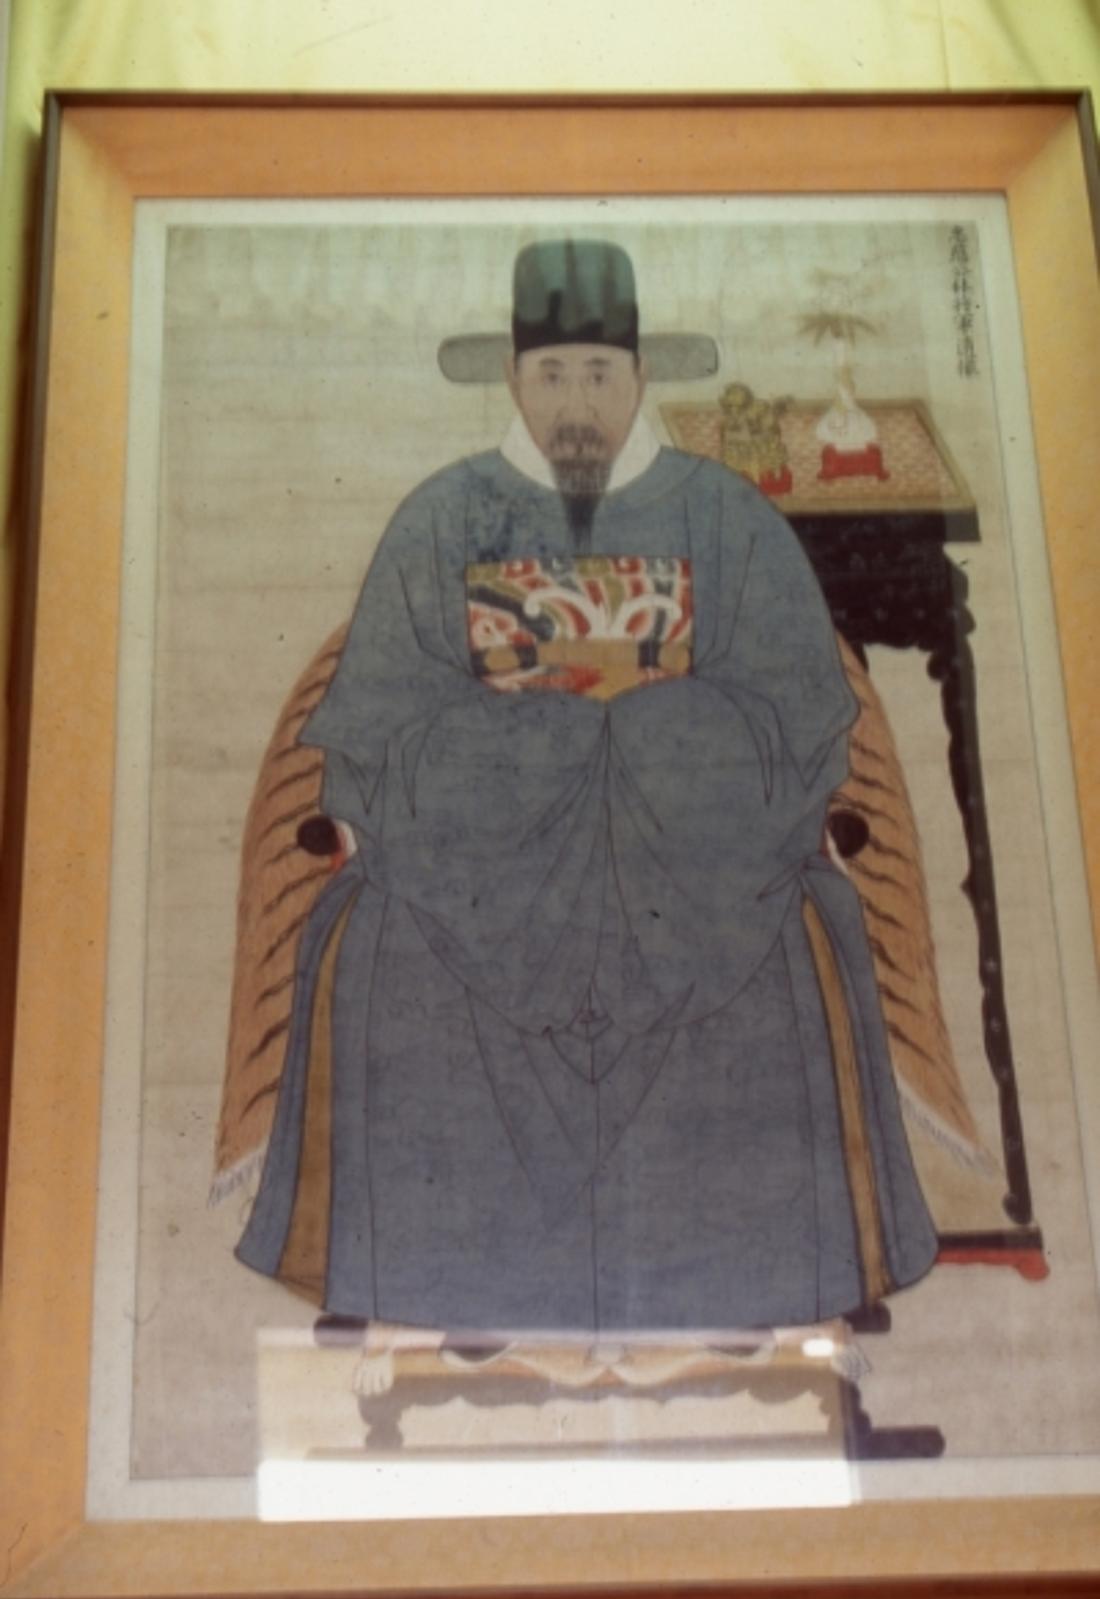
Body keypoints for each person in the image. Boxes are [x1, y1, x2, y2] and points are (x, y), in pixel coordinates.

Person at [232, 238, 937, 1332]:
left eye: (600, 375)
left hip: (699, 868)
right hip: (479, 870)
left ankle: (752, 1288)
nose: (576, 403)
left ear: (640, 376)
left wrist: (637, 733)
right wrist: (555, 741)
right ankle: (443, 1290)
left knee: (796, 934)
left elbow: (793, 716)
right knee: (379, 940)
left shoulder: (726, 516)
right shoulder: (440, 517)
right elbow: (384, 727)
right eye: (552, 374)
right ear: (512, 379)